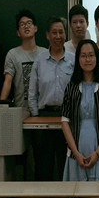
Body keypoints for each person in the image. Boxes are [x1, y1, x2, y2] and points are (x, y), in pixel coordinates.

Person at [61, 39, 99, 181]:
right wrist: (76, 153)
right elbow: (65, 121)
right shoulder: (71, 87)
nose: (87, 59)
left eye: (91, 55)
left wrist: (97, 153)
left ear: (97, 57)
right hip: (75, 151)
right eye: (83, 56)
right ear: (78, 58)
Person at [28, 16, 74, 181]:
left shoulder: (73, 60)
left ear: (65, 35)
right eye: (54, 32)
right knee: (43, 166)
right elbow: (32, 92)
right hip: (43, 118)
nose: (58, 36)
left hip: (67, 117)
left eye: (61, 32)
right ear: (47, 35)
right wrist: (36, 116)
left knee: (65, 164)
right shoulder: (40, 60)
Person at [0, 9, 47, 114]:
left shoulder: (45, 53)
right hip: (21, 111)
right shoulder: (12, 54)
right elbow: (7, 81)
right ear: (18, 32)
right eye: (22, 24)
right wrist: (0, 107)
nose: (26, 26)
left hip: (43, 110)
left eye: (29, 23)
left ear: (35, 28)